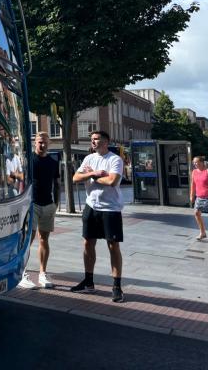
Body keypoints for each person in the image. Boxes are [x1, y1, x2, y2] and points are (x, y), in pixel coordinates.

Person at [70, 130, 126, 303]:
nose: (93, 142)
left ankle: (116, 286)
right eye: (92, 139)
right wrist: (94, 174)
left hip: (111, 209)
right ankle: (88, 281)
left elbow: (112, 181)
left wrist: (91, 177)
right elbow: (75, 178)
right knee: (87, 242)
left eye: (97, 139)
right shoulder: (89, 159)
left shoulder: (115, 159)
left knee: (113, 246)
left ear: (106, 142)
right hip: (91, 207)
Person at [19, 132, 61, 290]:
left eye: (44, 142)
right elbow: (18, 178)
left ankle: (42, 273)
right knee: (28, 239)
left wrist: (56, 204)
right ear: (34, 142)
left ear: (48, 143)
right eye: (39, 142)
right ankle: (22, 272)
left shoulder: (52, 161)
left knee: (44, 239)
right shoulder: (29, 160)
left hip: (48, 204)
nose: (42, 145)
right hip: (32, 204)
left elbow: (57, 183)